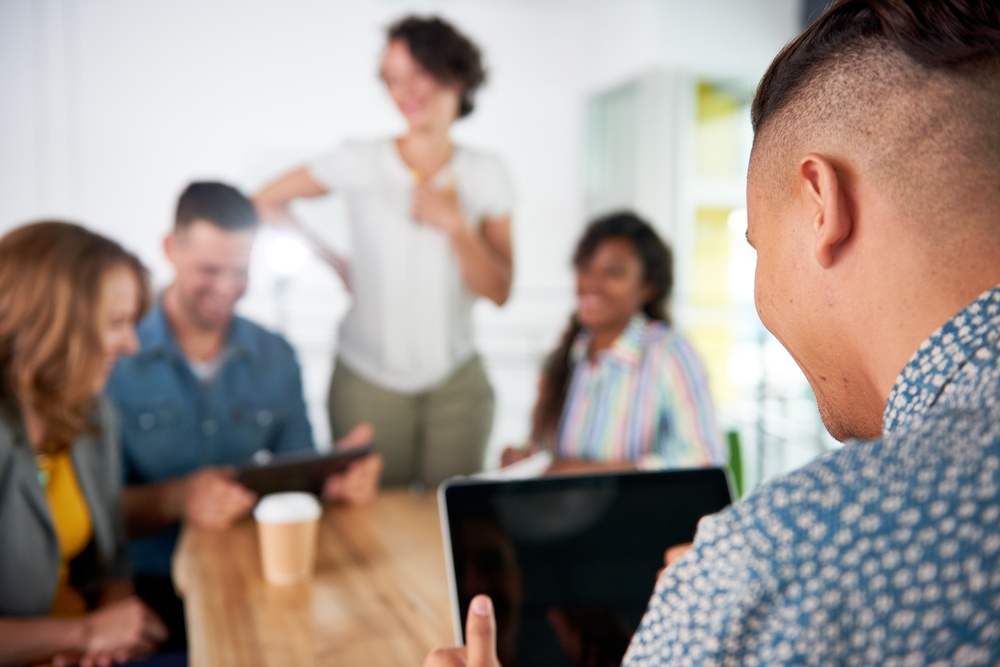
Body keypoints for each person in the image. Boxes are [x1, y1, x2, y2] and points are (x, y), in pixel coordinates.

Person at [426, 0, 1000, 664]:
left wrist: (706, 601)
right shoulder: (576, 355)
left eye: (755, 242)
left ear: (821, 203)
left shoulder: (770, 562)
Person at [105, 182, 382, 652]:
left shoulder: (275, 354)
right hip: (145, 594)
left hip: (255, 576)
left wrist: (333, 479)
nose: (229, 288)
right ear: (170, 248)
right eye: (210, 270)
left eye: (241, 271)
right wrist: (179, 498)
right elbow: (89, 514)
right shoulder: (113, 355)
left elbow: (295, 465)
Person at [253, 15, 514, 489]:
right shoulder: (360, 160)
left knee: (450, 524)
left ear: (454, 73)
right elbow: (266, 199)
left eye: (418, 73)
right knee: (369, 517)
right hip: (367, 381)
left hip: (456, 385)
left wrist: (455, 226)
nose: (405, 90)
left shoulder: (485, 172)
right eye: (393, 79)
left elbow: (499, 290)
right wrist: (335, 263)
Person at [0, 221, 168, 666]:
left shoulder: (92, 414)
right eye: (116, 323)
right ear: (44, 320)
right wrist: (84, 634)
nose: (131, 345)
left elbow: (110, 562)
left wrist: (114, 629)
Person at [502, 212, 724, 473]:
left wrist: (586, 473)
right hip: (564, 514)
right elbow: (547, 459)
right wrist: (523, 459)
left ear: (647, 287)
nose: (591, 283)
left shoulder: (669, 353)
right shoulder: (561, 360)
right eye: (585, 268)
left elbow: (706, 461)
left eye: (613, 272)